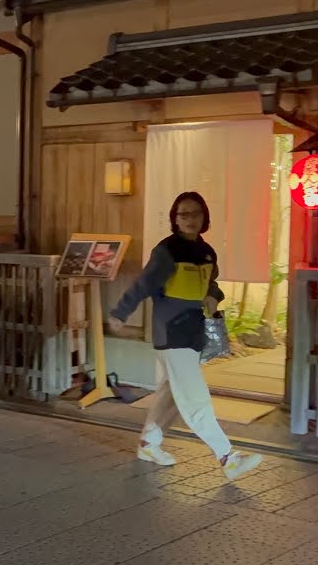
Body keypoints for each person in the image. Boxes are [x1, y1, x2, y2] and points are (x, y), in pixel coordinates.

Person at [107, 191, 262, 480]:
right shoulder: (166, 251)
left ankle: (148, 444)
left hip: (193, 330)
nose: (190, 220)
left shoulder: (207, 251)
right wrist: (120, 313)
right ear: (174, 219)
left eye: (196, 213)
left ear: (205, 217)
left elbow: (211, 283)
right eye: (183, 214)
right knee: (194, 396)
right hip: (171, 331)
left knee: (171, 392)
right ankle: (227, 457)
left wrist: (214, 296)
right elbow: (143, 284)